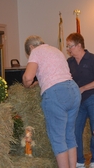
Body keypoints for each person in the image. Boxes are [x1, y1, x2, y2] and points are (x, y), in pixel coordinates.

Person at [22, 35, 81, 168]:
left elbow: (28, 77)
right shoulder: (55, 50)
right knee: (69, 136)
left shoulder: (36, 51)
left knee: (58, 139)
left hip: (56, 94)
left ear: (31, 47)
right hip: (73, 90)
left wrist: (26, 84)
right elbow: (55, 73)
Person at [66, 33, 94, 168]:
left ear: (79, 45)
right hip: (78, 101)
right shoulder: (69, 62)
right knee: (76, 130)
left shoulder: (93, 59)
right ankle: (79, 160)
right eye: (67, 47)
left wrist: (84, 88)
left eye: (70, 46)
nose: (68, 49)